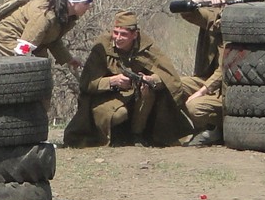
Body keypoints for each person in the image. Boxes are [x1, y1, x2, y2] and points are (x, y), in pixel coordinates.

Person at [63, 11, 192, 148]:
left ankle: (138, 135)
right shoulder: (102, 47)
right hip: (107, 98)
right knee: (118, 114)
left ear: (134, 35)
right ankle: (115, 135)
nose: (118, 38)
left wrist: (149, 80)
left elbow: (168, 77)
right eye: (116, 33)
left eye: (123, 34)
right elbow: (87, 83)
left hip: (139, 96)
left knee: (148, 94)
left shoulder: (147, 48)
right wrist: (113, 81)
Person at [177, 0, 245, 146]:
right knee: (174, 83)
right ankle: (177, 130)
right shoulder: (213, 17)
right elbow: (182, 9)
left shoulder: (245, 24)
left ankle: (217, 130)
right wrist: (203, 0)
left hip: (227, 88)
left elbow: (225, 68)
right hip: (208, 80)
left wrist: (201, 92)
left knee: (195, 107)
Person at [0, 0, 94, 71]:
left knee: (43, 69)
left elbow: (53, 40)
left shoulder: (66, 17)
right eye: (86, 3)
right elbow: (27, 42)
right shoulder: (45, 15)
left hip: (35, 41)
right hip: (12, 35)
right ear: (73, 2)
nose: (89, 7)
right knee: (27, 70)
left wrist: (68, 59)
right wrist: (23, 60)